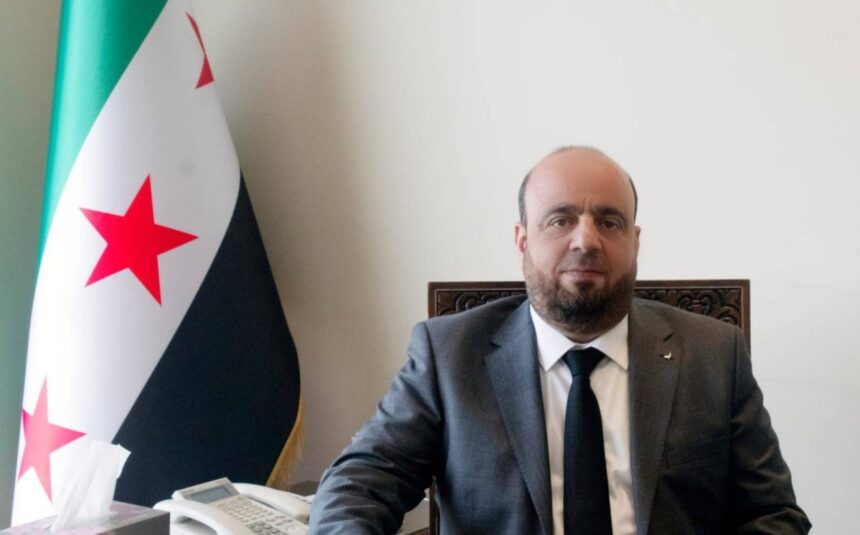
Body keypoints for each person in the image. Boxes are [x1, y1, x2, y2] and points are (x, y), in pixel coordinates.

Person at [308, 146, 810, 534]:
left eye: (609, 222)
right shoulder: (450, 355)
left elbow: (772, 514)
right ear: (522, 240)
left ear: (635, 243)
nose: (586, 240)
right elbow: (360, 483)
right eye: (560, 219)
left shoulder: (714, 354)